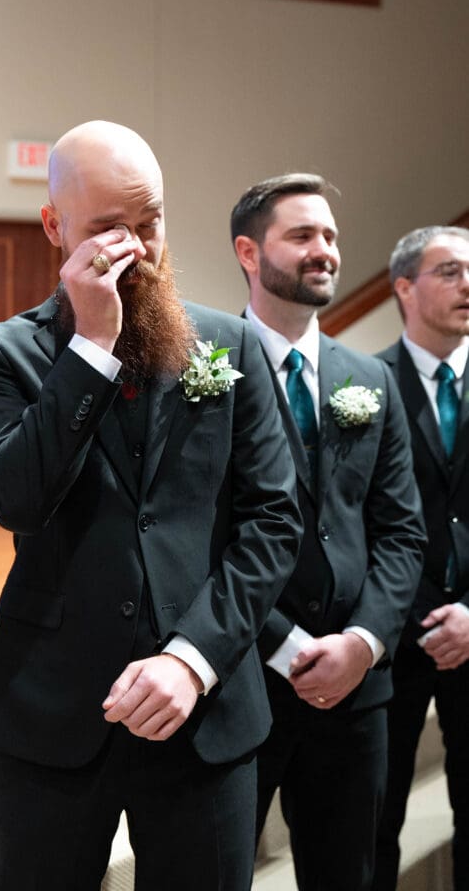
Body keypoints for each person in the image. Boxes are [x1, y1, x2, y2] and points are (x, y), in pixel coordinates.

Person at [0, 121, 303, 891]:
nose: (137, 248)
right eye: (108, 229)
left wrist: (192, 659)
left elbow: (273, 522)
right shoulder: (0, 354)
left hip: (202, 711)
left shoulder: (231, 347)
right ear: (55, 227)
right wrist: (90, 346)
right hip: (50, 709)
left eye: (149, 222)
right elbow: (16, 500)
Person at [230, 173, 425, 891]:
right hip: (241, 677)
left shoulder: (367, 379)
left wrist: (363, 643)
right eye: (302, 235)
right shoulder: (204, 371)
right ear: (249, 253)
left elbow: (401, 532)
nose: (326, 251)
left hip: (355, 690)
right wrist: (282, 642)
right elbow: (201, 535)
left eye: (331, 237)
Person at [373, 225, 469, 890]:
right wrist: (412, 614)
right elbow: (350, 520)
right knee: (371, 820)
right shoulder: (363, 384)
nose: (468, 285)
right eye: (450, 272)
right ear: (404, 287)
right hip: (387, 637)